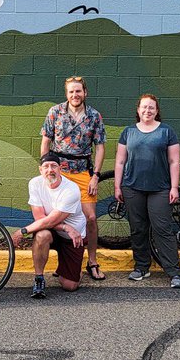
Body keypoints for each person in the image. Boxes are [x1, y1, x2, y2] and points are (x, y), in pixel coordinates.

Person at [114, 93, 180, 289]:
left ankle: (174, 273)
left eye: (151, 107)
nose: (147, 110)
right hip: (132, 187)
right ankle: (142, 267)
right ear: (138, 110)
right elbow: (120, 161)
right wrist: (117, 186)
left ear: (157, 110)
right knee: (138, 229)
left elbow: (174, 161)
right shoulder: (128, 132)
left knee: (163, 230)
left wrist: (174, 187)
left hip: (160, 189)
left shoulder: (166, 132)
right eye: (144, 107)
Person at [40, 76, 107, 279]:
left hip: (82, 171)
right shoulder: (55, 112)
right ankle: (63, 262)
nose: (75, 95)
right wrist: (44, 168)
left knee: (91, 218)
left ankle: (92, 261)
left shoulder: (94, 116)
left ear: (85, 92)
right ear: (66, 94)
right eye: (71, 92)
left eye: (78, 91)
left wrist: (95, 175)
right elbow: (46, 140)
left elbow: (100, 147)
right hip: (59, 172)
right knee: (57, 217)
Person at [11, 153, 86, 299]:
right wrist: (65, 227)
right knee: (41, 235)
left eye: (54, 166)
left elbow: (50, 221)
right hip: (55, 231)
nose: (50, 170)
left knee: (70, 286)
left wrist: (22, 231)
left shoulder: (71, 189)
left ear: (60, 168)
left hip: (73, 237)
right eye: (46, 166)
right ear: (40, 170)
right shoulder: (35, 183)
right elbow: (40, 218)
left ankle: (72, 270)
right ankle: (39, 279)